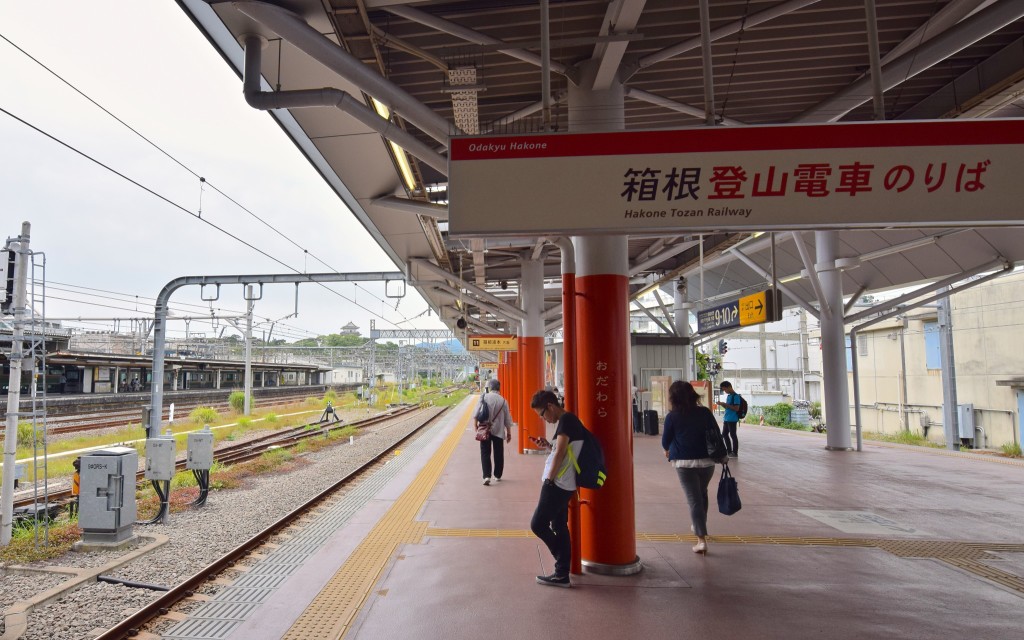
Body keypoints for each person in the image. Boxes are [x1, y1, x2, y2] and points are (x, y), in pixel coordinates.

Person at [528, 388, 587, 588]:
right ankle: (562, 573)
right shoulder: (567, 421)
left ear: (550, 406)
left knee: (537, 524)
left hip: (558, 484)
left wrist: (549, 480)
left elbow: (562, 451)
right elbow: (561, 450)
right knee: (559, 526)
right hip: (564, 483)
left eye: (542, 414)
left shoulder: (567, 421)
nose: (544, 419)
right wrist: (547, 445)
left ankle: (562, 563)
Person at [662, 380, 727, 556]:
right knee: (702, 493)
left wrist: (667, 450)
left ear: (673, 397)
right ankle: (700, 522)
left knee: (694, 500)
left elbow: (665, 441)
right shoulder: (705, 413)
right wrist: (723, 455)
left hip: (684, 464)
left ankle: (701, 540)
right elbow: (716, 434)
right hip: (707, 463)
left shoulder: (672, 417)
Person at [475, 378, 512, 485]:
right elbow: (507, 419)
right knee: (498, 453)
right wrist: (509, 432)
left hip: (485, 428)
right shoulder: (503, 401)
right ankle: (497, 475)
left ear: (490, 387)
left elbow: (477, 411)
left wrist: (475, 425)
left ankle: (486, 476)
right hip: (499, 430)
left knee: (485, 452)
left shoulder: (484, 397)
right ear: (499, 388)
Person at [719, 380, 741, 457]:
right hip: (727, 418)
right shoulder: (729, 396)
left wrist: (726, 404)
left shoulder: (736, 396)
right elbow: (727, 407)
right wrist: (722, 404)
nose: (724, 391)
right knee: (724, 434)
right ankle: (729, 451)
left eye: (725, 389)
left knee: (733, 435)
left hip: (732, 419)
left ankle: (735, 452)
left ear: (729, 387)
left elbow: (736, 408)